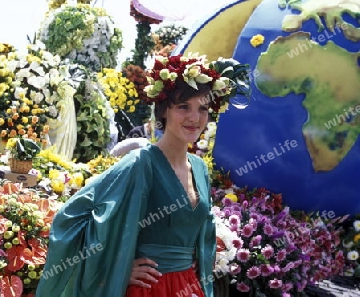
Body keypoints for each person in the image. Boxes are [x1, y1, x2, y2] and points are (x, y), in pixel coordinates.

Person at [36, 52, 249, 297]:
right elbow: (70, 217)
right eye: (183, 107)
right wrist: (116, 268)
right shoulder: (141, 162)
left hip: (188, 286)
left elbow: (201, 235)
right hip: (147, 289)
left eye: (202, 108)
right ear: (163, 111)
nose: (195, 117)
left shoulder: (200, 168)